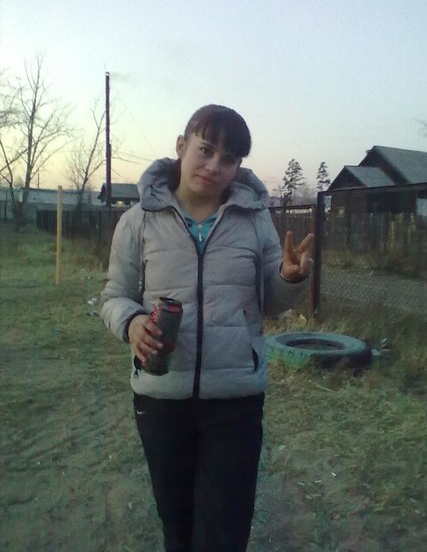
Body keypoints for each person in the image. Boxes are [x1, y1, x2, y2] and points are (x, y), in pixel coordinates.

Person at [101, 104, 314, 552]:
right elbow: (115, 295)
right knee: (177, 527)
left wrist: (289, 279)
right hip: (161, 397)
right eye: (205, 150)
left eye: (229, 158)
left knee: (225, 531)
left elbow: (272, 302)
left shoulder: (254, 220)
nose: (215, 165)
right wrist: (131, 322)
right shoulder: (138, 221)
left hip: (235, 401)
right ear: (181, 147)